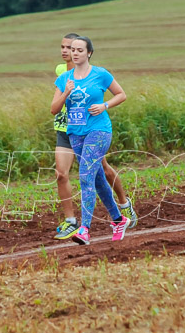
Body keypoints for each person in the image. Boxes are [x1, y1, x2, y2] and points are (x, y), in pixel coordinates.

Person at [52, 34, 136, 240]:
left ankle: (84, 229)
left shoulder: (100, 74)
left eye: (80, 50)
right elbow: (54, 109)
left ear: (89, 53)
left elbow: (121, 94)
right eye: (73, 50)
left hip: (99, 131)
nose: (75, 53)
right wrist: (66, 93)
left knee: (85, 177)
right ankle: (118, 219)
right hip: (75, 133)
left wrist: (104, 105)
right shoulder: (64, 79)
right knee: (97, 179)